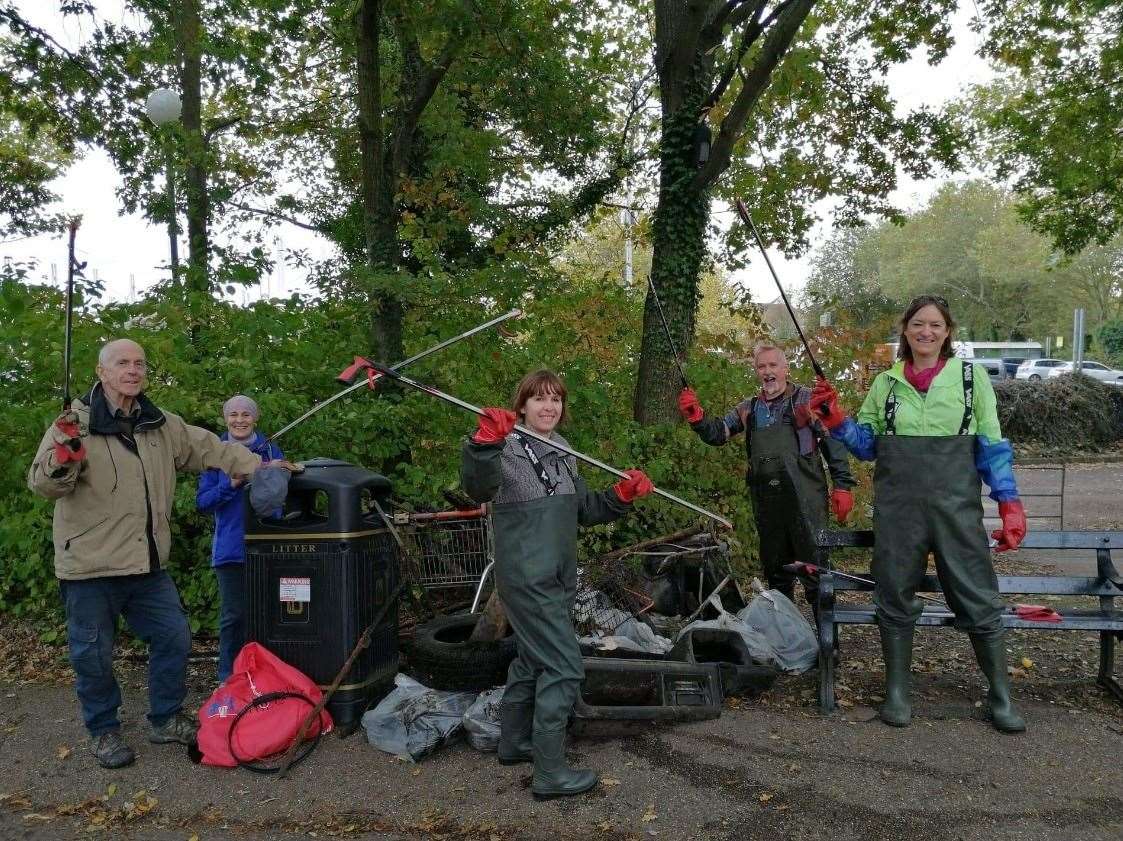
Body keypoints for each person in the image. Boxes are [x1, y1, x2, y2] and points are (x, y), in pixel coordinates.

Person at [28, 339, 300, 768]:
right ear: (102, 371)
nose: (133, 370)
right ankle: (103, 731)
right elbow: (45, 485)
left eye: (139, 363)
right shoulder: (73, 423)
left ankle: (165, 718)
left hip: (146, 563)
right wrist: (63, 458)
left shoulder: (161, 424)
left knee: (174, 635)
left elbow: (212, 447)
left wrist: (260, 467)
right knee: (92, 653)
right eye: (122, 363)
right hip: (89, 566)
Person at [809, 296, 1028, 733]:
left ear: (948, 333)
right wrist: (836, 421)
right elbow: (866, 446)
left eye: (935, 325)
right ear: (905, 331)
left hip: (957, 510)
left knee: (977, 594)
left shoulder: (971, 379)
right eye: (917, 324)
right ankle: (897, 694)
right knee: (893, 594)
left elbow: (992, 446)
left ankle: (1001, 695)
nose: (926, 332)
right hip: (898, 511)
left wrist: (1009, 503)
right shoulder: (886, 384)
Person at [460, 370, 654, 800]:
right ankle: (550, 772)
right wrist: (482, 443)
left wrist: (621, 497)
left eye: (556, 399)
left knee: (533, 660)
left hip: (558, 577)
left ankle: (514, 742)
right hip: (529, 580)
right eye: (539, 399)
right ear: (522, 406)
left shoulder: (563, 450)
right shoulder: (505, 448)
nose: (549, 407)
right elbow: (478, 486)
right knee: (565, 667)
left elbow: (584, 509)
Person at [677, 342, 855, 610]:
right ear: (756, 371)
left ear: (786, 369)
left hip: (807, 502)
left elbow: (834, 442)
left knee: (816, 576)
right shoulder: (748, 408)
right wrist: (697, 418)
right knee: (777, 578)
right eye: (762, 366)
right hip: (768, 504)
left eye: (773, 365)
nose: (767, 371)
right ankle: (788, 643)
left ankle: (828, 648)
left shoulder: (807, 401)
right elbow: (718, 433)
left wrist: (842, 485)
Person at [196, 395, 283, 684]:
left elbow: (282, 501)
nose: (239, 420)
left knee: (271, 614)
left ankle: (268, 675)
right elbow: (204, 503)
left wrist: (276, 475)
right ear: (225, 419)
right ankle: (227, 677)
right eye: (233, 415)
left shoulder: (269, 448)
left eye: (246, 414)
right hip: (231, 550)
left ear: (254, 418)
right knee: (234, 617)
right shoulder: (214, 453)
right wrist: (232, 485)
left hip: (270, 547)